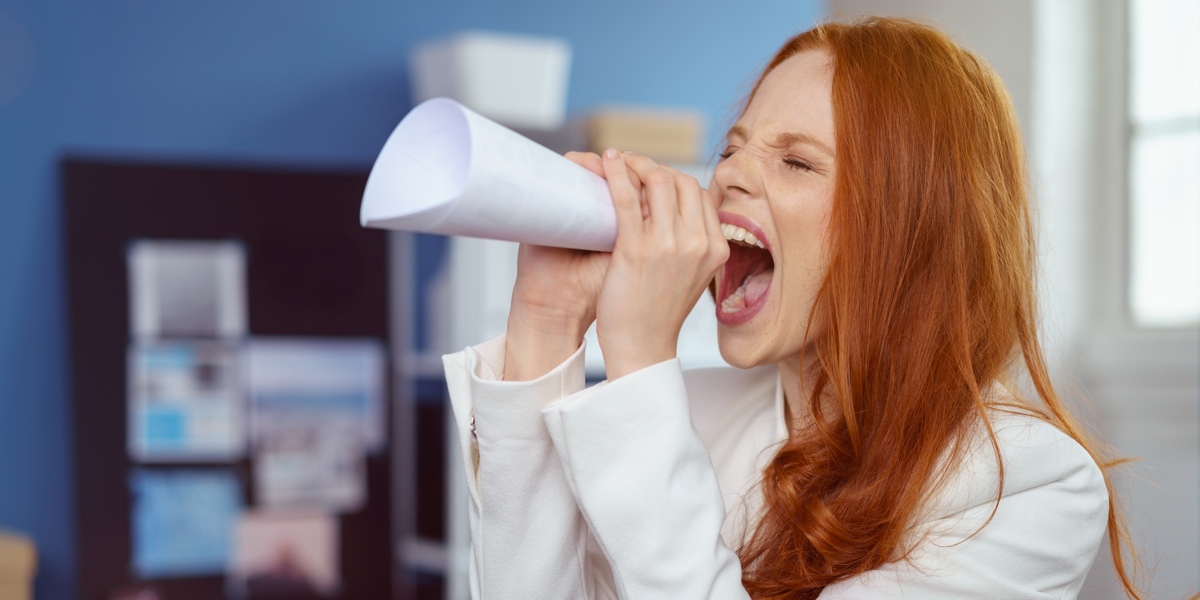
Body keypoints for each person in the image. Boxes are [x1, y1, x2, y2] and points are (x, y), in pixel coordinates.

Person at [441, 16, 1147, 599]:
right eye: (733, 147)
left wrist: (637, 359)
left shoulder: (1031, 487)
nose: (724, 176)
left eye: (797, 162)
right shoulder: (682, 413)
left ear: (912, 228)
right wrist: (544, 322)